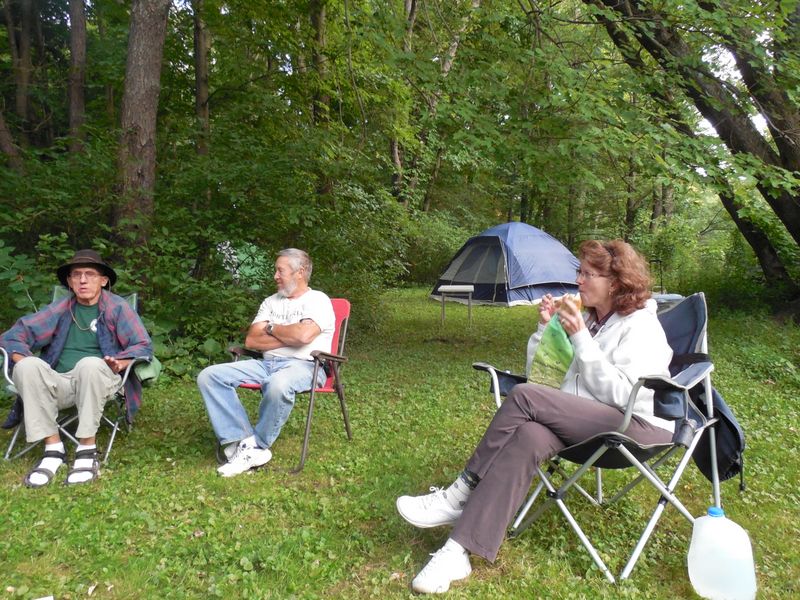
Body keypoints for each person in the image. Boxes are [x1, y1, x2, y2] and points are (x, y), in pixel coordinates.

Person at [395, 239, 675, 594]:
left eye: (589, 274)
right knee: (529, 435)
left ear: (616, 283)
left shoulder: (640, 325)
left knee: (525, 396)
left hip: (636, 426)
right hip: (587, 421)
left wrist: (580, 337)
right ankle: (458, 551)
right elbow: (544, 378)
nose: (579, 281)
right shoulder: (592, 320)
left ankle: (461, 492)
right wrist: (546, 330)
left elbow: (623, 395)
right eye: (580, 272)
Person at [0, 249, 153, 487]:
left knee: (89, 364)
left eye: (90, 274)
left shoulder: (117, 308)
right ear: (70, 282)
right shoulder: (61, 308)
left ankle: (86, 450)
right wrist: (25, 363)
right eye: (76, 275)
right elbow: (14, 336)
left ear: (103, 281)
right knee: (27, 366)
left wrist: (120, 363)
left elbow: (142, 345)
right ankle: (53, 449)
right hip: (58, 380)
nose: (83, 280)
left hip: (100, 378)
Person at [197, 248, 335, 478]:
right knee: (209, 376)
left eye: (280, 271)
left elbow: (303, 336)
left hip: (306, 366)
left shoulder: (318, 300)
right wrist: (290, 336)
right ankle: (241, 440)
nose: (275, 276)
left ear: (300, 272)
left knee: (278, 384)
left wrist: (270, 328)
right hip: (265, 364)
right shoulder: (271, 302)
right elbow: (252, 340)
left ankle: (257, 445)